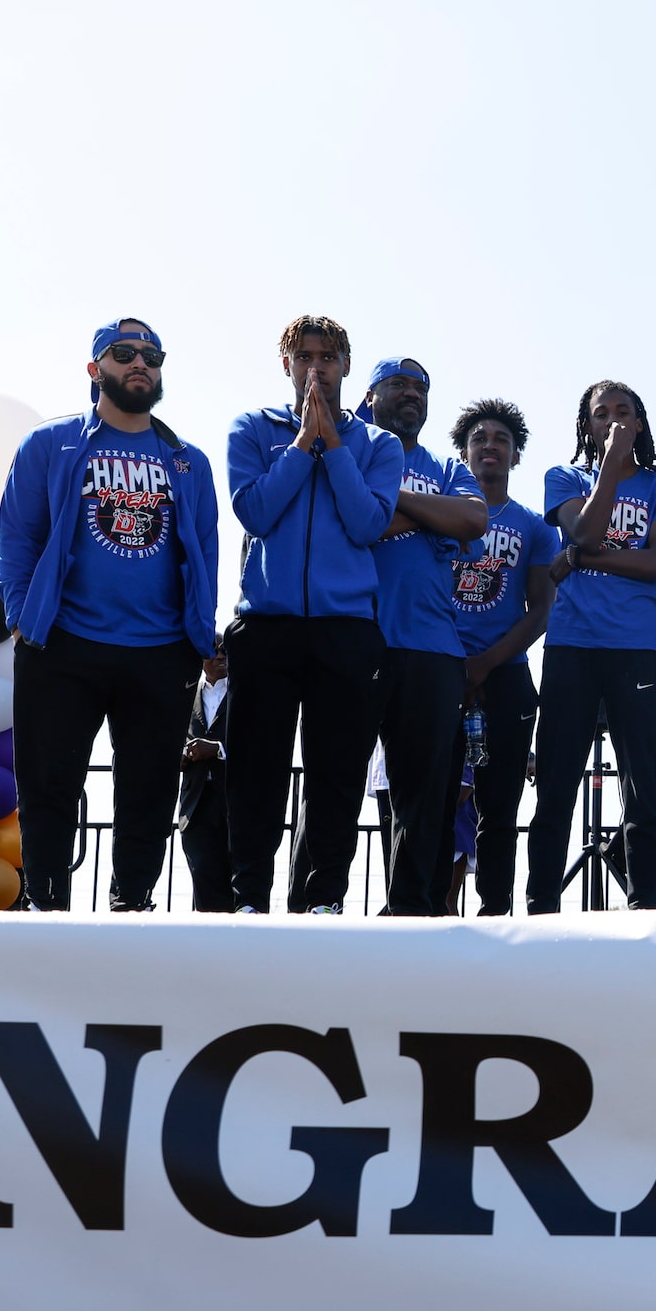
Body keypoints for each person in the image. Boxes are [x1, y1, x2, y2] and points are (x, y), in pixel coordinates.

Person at [0, 319, 220, 912]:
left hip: (162, 648)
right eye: (124, 354)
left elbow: (205, 549)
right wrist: (22, 617)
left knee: (148, 789)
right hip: (63, 643)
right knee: (49, 784)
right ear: (96, 370)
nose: (140, 362)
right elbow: (19, 536)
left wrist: (200, 629)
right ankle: (44, 903)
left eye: (152, 354)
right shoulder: (51, 444)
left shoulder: (188, 461)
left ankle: (133, 904)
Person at [224, 315, 404, 914]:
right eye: (304, 357)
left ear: (347, 366)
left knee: (336, 773)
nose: (317, 368)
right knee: (256, 771)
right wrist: (303, 445)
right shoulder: (253, 429)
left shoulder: (379, 444)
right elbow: (256, 511)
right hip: (268, 625)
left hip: (346, 630)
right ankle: (248, 896)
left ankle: (323, 899)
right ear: (286, 366)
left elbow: (368, 522)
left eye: (329, 357)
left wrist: (333, 448)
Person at [525, 382, 656, 912]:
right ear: (585, 426)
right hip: (572, 647)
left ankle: (644, 910)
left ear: (641, 423)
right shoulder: (564, 478)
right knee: (555, 789)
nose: (613, 421)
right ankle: (541, 908)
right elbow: (588, 531)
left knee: (642, 792)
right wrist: (612, 467)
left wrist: (577, 561)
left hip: (637, 648)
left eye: (624, 413)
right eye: (601, 414)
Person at [362, 357, 492, 916]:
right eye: (398, 385)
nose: (411, 394)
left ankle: (409, 909)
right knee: (336, 781)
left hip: (434, 646)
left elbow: (472, 521)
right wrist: (430, 513)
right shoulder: (352, 450)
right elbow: (351, 518)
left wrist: (390, 502)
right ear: (370, 397)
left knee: (427, 792)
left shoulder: (443, 464)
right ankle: (317, 907)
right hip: (358, 636)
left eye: (420, 388)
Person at [443, 397, 558, 915]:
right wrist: (456, 665)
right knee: (434, 797)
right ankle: (423, 909)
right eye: (479, 439)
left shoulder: (535, 528)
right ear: (464, 452)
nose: (490, 446)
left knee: (500, 804)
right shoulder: (441, 512)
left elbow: (540, 612)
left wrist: (486, 664)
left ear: (515, 456)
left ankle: (494, 911)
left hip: (506, 677)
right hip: (440, 670)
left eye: (501, 441)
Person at [177, 649, 236, 912]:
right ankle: (207, 941)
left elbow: (257, 741)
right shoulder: (187, 693)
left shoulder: (241, 692)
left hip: (233, 801)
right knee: (202, 876)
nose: (221, 657)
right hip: (196, 803)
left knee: (235, 879)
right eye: (214, 651)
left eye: (227, 652)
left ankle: (234, 941)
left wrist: (218, 749)